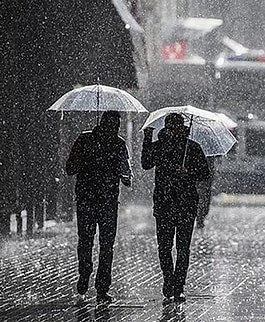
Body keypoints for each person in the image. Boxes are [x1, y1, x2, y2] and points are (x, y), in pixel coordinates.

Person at [141, 113, 210, 303]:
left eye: (177, 126)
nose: (174, 130)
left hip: (186, 204)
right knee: (164, 247)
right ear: (167, 127)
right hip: (164, 203)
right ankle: (168, 280)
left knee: (182, 248)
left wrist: (188, 172)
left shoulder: (192, 148)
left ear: (182, 127)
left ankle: (179, 286)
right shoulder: (160, 145)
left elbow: (204, 173)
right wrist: (147, 139)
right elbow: (146, 164)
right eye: (171, 126)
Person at [65, 110, 132, 304]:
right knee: (97, 243)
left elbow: (126, 174)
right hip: (97, 201)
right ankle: (90, 278)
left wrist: (122, 175)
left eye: (116, 126)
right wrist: (89, 159)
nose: (114, 129)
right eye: (112, 125)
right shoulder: (87, 141)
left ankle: (98, 284)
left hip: (102, 201)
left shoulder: (117, 144)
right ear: (103, 123)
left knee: (97, 243)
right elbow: (70, 168)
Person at [196, 156, 215, 228]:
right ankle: (200, 216)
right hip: (202, 181)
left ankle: (200, 216)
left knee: (204, 199)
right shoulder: (210, 155)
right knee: (203, 199)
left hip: (205, 181)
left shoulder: (210, 157)